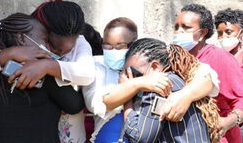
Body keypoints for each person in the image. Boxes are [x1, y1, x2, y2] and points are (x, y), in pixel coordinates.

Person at [0, 0, 94, 143]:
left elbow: (86, 73)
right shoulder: (6, 55)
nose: (54, 52)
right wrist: (9, 53)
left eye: (64, 50)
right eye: (50, 43)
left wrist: (46, 66)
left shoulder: (78, 44)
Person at [82, 17, 220, 143]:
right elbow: (102, 103)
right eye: (107, 46)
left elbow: (208, 76)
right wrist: (137, 83)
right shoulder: (97, 66)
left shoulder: (150, 64)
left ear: (133, 44)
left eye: (119, 46)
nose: (112, 51)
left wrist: (185, 96)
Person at [0, 13, 84, 143]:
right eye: (45, 39)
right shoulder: (38, 71)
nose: (49, 47)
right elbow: (74, 105)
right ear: (22, 38)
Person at [123, 38, 220, 142]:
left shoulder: (158, 87)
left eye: (135, 74)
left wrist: (126, 98)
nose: (132, 79)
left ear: (155, 67)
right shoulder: (180, 78)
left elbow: (141, 139)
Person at [173, 3, 243, 143]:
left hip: (217, 136)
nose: (178, 32)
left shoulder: (219, 58)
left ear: (203, 32)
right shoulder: (174, 59)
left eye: (186, 27)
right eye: (176, 27)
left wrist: (228, 121)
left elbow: (241, 98)